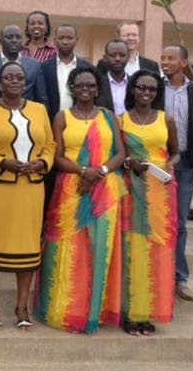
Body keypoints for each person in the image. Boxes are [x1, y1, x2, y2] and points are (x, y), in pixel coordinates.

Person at [34, 65, 126, 333]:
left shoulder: (109, 116)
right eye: (79, 85)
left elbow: (119, 153)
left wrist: (99, 171)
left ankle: (92, 313)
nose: (85, 89)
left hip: (104, 190)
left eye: (90, 85)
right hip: (71, 191)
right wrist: (83, 171)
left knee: (98, 251)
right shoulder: (61, 117)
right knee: (68, 251)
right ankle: (63, 311)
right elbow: (57, 156)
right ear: (71, 88)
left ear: (98, 89)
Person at [0, 61, 55, 331]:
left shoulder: (39, 110)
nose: (15, 81)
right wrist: (3, 163)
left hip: (31, 189)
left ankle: (22, 306)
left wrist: (42, 164)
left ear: (26, 82)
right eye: (9, 77)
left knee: (28, 250)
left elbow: (50, 145)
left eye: (20, 77)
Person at [119, 69, 179, 336]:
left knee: (156, 252)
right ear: (133, 89)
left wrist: (165, 166)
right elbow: (115, 155)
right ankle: (130, 314)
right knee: (133, 252)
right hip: (131, 191)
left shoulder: (167, 119)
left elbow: (177, 154)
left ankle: (148, 313)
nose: (146, 93)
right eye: (141, 87)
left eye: (152, 89)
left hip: (160, 195)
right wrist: (127, 162)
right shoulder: (120, 120)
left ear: (157, 93)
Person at [161, 45, 193, 302]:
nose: (165, 62)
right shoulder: (154, 88)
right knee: (159, 221)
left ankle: (179, 279)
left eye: (171, 58)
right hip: (158, 164)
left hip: (186, 164)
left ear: (184, 62)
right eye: (163, 58)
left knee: (180, 223)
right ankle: (158, 276)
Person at [0, 25, 47, 105]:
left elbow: (42, 100)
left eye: (18, 37)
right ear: (0, 41)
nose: (14, 40)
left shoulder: (35, 66)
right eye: (9, 37)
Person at [96, 39, 163, 116]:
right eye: (112, 55)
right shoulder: (97, 85)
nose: (117, 59)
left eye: (122, 55)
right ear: (105, 58)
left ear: (128, 57)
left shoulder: (137, 84)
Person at [40, 24, 92, 121]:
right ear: (55, 40)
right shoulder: (44, 67)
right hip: (50, 121)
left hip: (80, 122)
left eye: (70, 38)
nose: (65, 42)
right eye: (61, 38)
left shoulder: (87, 68)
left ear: (76, 39)